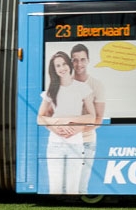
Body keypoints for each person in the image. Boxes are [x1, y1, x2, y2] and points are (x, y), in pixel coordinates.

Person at [37, 51, 96, 194]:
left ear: (69, 65)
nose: (62, 68)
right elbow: (40, 118)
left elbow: (92, 116)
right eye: (58, 66)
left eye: (64, 64)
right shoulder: (51, 91)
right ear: (54, 70)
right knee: (55, 188)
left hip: (76, 144)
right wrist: (56, 128)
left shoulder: (82, 88)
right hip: (55, 145)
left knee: (72, 189)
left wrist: (72, 124)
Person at [71, 43, 107, 193]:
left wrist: (77, 130)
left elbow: (98, 119)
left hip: (87, 141)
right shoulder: (62, 84)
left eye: (82, 59)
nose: (79, 64)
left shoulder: (97, 85)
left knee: (81, 188)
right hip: (66, 141)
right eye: (75, 60)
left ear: (88, 60)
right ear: (71, 62)